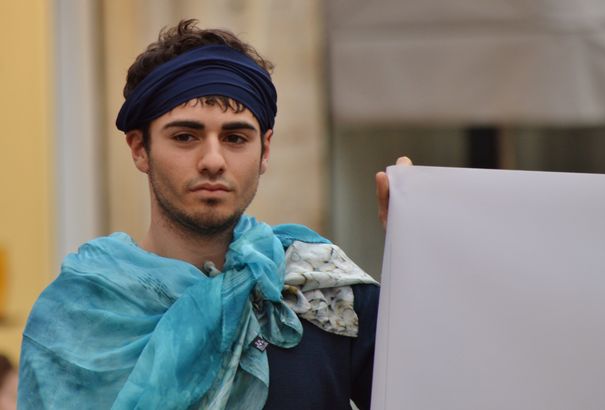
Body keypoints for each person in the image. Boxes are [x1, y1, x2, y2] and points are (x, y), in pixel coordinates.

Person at [18, 19, 408, 409]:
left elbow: (430, 389)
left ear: (265, 151)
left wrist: (419, 248)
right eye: (185, 137)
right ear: (139, 149)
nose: (213, 160)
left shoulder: (324, 291)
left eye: (235, 138)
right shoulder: (77, 316)